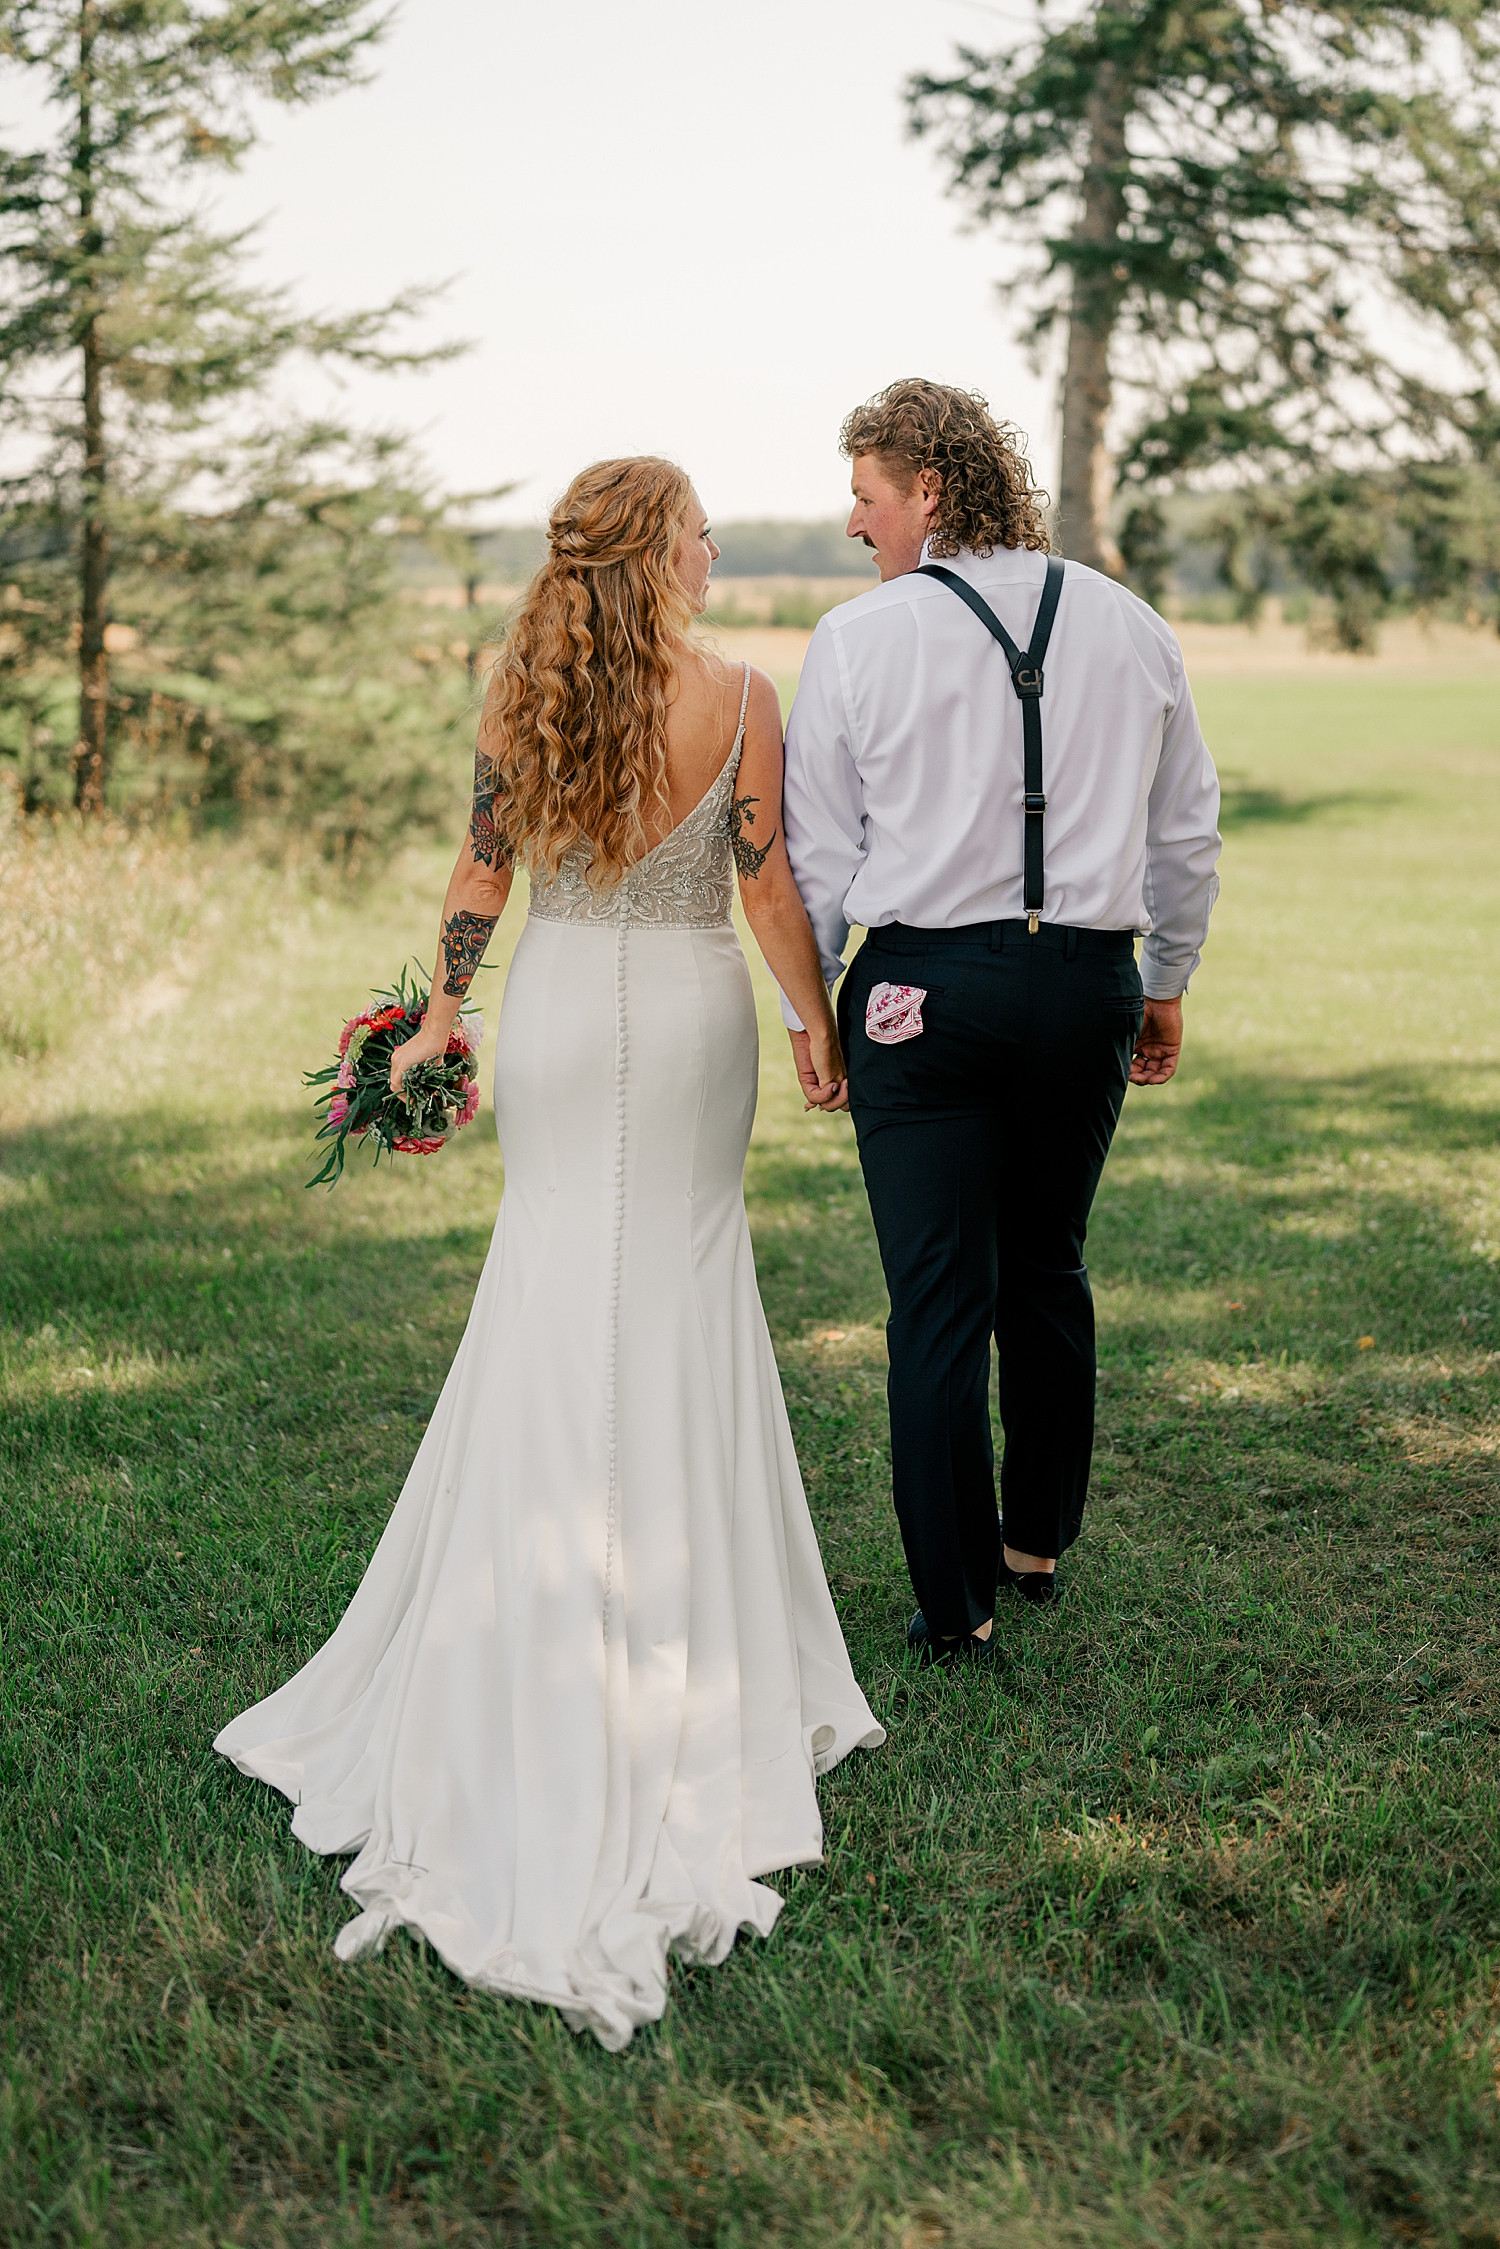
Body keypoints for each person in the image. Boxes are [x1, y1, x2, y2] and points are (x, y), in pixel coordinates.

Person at [215, 457, 883, 2052]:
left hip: (565, 1015)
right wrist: (817, 1019)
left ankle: (533, 1612)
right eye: (705, 529)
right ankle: (686, 1644)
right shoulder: (736, 694)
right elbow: (765, 876)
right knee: (677, 1295)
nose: (721, 550)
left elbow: (481, 874)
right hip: (695, 1004)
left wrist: (449, 1006)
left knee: (547, 1294)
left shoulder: (526, 689)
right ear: (663, 552)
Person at [779, 379, 1222, 1668]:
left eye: (866, 495)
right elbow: (1183, 827)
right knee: (1044, 1266)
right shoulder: (1132, 624)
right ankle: (1036, 1543)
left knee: (935, 1299)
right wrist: (1166, 979)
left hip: (918, 993)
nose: (854, 523)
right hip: (1085, 986)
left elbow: (818, 855)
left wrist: (815, 1011)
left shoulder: (858, 640)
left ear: (927, 487)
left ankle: (956, 1599)